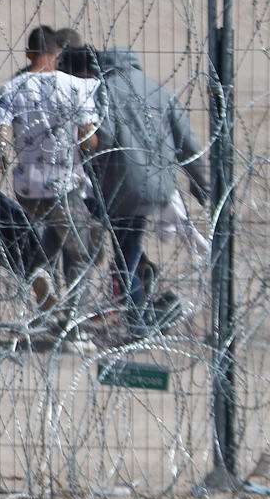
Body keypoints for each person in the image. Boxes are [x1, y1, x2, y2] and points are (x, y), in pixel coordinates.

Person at [64, 42, 211, 334]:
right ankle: (140, 293)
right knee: (127, 246)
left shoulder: (102, 91)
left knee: (118, 247)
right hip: (159, 186)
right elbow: (187, 142)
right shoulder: (158, 90)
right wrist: (203, 187)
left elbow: (99, 140)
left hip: (121, 186)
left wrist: (88, 170)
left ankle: (137, 319)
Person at [0, 26, 102, 333]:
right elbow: (88, 138)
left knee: (46, 245)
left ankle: (46, 307)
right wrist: (89, 141)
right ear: (57, 54)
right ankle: (73, 323)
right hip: (63, 185)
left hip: (27, 188)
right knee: (81, 252)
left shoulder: (14, 87)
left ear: (29, 54)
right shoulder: (74, 86)